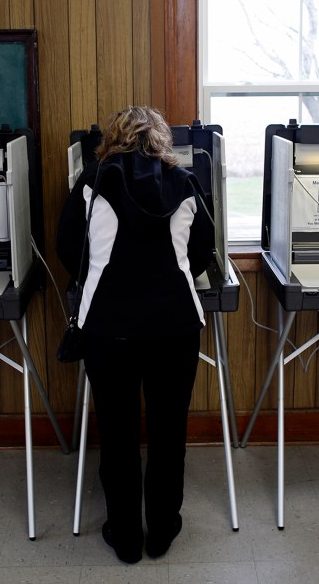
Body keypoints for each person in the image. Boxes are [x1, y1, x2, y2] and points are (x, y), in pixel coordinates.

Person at [57, 105, 214, 563]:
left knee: (118, 434)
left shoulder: (93, 180)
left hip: (108, 328)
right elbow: (202, 251)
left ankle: (125, 537)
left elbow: (70, 247)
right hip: (176, 327)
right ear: (161, 140)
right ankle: (162, 530)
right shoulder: (185, 183)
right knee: (169, 433)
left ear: (114, 138)